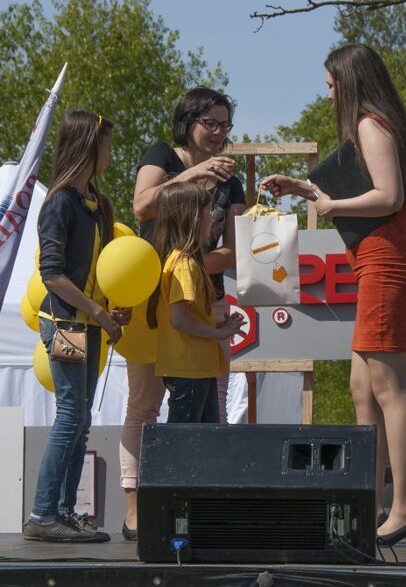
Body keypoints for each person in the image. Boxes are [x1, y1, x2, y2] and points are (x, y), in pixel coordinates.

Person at [261, 43, 406, 547]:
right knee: (363, 387)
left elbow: (388, 196)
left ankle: (404, 509)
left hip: (387, 264)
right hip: (376, 263)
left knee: (389, 387)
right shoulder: (372, 127)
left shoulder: (371, 124)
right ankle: (370, 502)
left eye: (331, 84)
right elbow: (368, 191)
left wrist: (333, 206)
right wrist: (303, 188)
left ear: (350, 82)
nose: (328, 93)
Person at [119, 87, 245, 540]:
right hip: (151, 300)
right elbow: (141, 205)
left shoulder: (231, 181)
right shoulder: (162, 155)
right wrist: (194, 174)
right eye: (209, 122)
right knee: (145, 404)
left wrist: (185, 264)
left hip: (206, 298)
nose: (217, 132)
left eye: (224, 125)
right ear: (187, 122)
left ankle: (201, 506)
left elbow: (233, 251)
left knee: (212, 408)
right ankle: (137, 509)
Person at [23, 111, 131, 543]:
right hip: (65, 324)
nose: (110, 154)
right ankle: (43, 514)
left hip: (89, 324)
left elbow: (98, 272)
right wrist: (97, 312)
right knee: (71, 415)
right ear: (88, 146)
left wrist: (108, 309)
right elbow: (52, 275)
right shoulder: (60, 203)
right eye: (106, 146)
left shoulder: (97, 205)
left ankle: (65, 513)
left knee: (81, 419)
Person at [147, 181, 245, 423]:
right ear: (191, 218)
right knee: (185, 437)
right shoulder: (185, 264)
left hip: (198, 368)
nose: (213, 217)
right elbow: (179, 319)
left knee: (205, 435)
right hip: (189, 369)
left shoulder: (184, 261)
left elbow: (188, 317)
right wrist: (218, 333)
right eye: (207, 211)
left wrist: (219, 327)